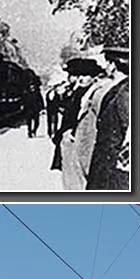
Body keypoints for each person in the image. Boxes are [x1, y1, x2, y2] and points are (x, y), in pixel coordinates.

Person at [48, 44, 112, 191]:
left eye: (86, 75)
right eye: (79, 75)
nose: (81, 79)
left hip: (79, 143)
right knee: (71, 181)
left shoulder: (91, 93)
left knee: (77, 183)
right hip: (71, 142)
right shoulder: (79, 92)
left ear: (94, 76)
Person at [84, 46, 131, 191]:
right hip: (107, 159)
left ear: (113, 65)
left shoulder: (126, 91)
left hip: (113, 161)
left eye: (108, 62)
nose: (106, 66)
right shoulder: (120, 87)